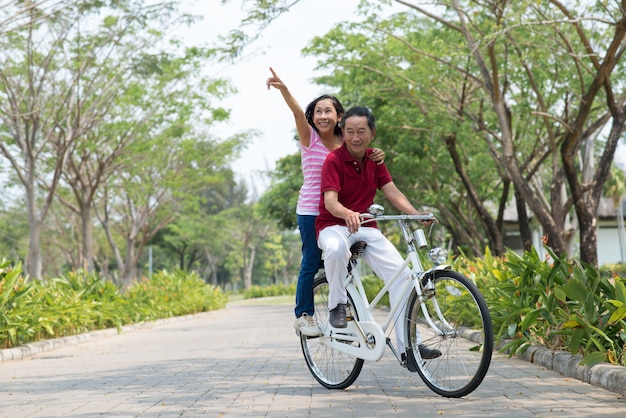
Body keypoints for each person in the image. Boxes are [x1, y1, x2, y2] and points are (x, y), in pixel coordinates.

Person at [315, 106, 441, 361]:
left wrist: (417, 214)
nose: (355, 137)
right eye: (349, 131)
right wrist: (347, 213)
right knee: (337, 249)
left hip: (367, 226)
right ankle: (337, 305)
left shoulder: (374, 159)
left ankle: (409, 347)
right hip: (333, 226)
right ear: (343, 132)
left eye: (361, 131)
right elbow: (330, 201)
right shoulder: (333, 160)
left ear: (372, 133)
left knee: (404, 278)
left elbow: (392, 191)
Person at [266, 68, 385, 337]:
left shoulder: (348, 142)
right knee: (310, 262)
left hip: (342, 211)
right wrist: (284, 89)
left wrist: (376, 154)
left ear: (339, 117)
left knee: (346, 261)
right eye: (318, 111)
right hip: (311, 211)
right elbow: (297, 114)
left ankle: (344, 306)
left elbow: (365, 154)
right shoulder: (310, 138)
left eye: (328, 111)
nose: (322, 116)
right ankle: (304, 315)